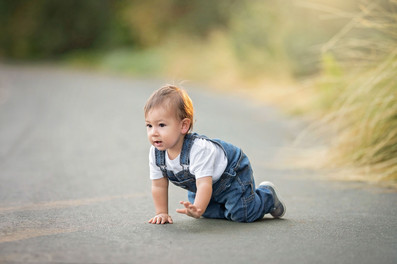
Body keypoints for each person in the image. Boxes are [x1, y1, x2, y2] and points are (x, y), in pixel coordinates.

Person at [144, 85, 286, 224]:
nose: (154, 132)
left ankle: (266, 196)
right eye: (149, 125)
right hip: (206, 184)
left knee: (242, 214)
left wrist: (198, 208)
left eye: (161, 125)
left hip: (231, 173)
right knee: (204, 211)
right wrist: (161, 212)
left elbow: (204, 184)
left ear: (183, 126)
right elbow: (159, 185)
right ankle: (230, 204)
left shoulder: (198, 150)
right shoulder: (156, 154)